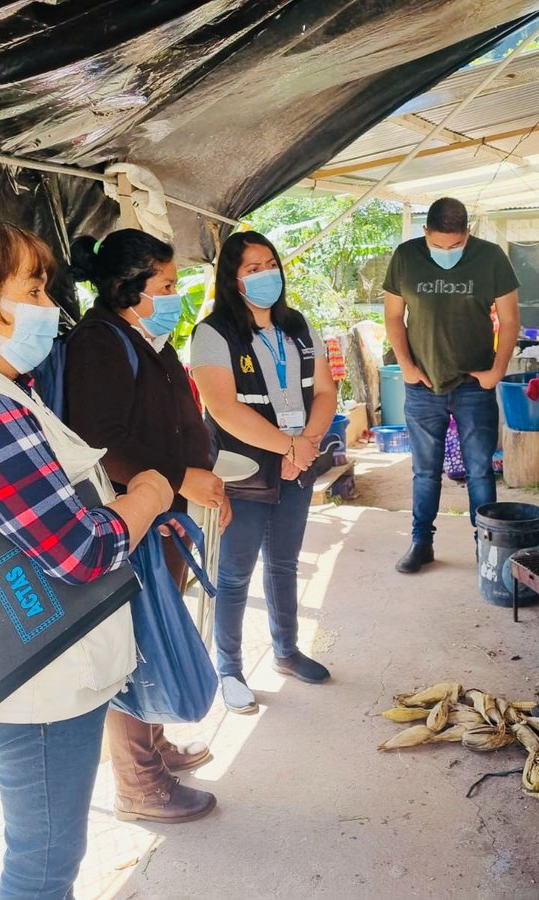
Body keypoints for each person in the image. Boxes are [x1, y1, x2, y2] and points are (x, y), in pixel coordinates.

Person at [0, 213, 175, 898]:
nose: (52, 309)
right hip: (35, 687)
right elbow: (80, 550)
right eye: (35, 291)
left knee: (46, 856)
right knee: (43, 867)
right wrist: (149, 496)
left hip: (28, 671)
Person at [63, 228, 224, 824]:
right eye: (167, 285)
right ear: (128, 288)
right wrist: (181, 480)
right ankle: (140, 785)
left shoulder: (144, 335)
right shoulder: (98, 344)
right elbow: (102, 440)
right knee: (134, 646)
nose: (175, 294)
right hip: (132, 519)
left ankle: (153, 749)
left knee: (154, 631)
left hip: (160, 514)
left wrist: (190, 481)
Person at [189, 231, 337, 714]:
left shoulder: (297, 325)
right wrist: (289, 447)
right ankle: (228, 669)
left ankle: (286, 651)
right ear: (232, 277)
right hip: (244, 471)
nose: (264, 273)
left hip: (297, 464)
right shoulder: (213, 332)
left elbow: (325, 393)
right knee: (234, 574)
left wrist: (305, 445)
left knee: (284, 563)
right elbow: (223, 408)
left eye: (269, 263)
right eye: (251, 268)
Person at [382, 196, 520, 574]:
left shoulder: (491, 258)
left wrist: (497, 370)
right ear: (424, 232)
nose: (447, 252)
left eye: (456, 245)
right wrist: (407, 366)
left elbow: (510, 320)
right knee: (425, 471)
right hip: (423, 385)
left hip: (474, 385)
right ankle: (421, 542)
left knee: (480, 470)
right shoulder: (406, 256)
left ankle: (486, 547)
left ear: (468, 234)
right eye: (439, 245)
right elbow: (394, 316)